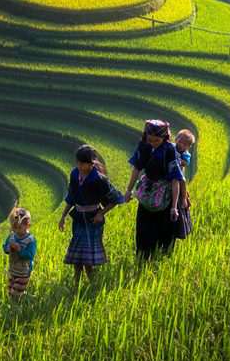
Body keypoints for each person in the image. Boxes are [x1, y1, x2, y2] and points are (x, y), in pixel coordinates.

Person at [59, 144, 124, 284]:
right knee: (77, 256)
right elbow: (71, 196)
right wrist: (63, 216)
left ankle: (92, 282)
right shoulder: (74, 174)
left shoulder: (99, 179)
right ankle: (76, 282)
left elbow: (114, 199)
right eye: (78, 163)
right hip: (78, 219)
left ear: (91, 163)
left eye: (83, 164)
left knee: (88, 258)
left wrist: (101, 213)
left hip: (93, 220)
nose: (80, 166)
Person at [124, 120, 185, 259]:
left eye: (156, 140)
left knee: (164, 233)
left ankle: (161, 262)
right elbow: (137, 168)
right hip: (147, 193)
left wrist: (174, 207)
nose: (152, 143)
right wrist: (128, 190)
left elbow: (176, 179)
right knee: (143, 231)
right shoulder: (143, 145)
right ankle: (143, 260)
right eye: (150, 139)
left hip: (165, 197)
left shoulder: (169, 150)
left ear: (165, 138)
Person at [3, 206, 37, 299]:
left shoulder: (30, 240)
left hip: (23, 272)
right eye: (15, 228)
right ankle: (20, 301)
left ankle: (16, 307)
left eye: (19, 227)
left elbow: (30, 255)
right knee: (10, 291)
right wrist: (8, 248)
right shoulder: (12, 236)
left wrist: (20, 250)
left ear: (28, 225)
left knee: (16, 293)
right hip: (12, 270)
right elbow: (5, 247)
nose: (17, 231)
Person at [174, 129, 196, 240]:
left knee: (182, 185)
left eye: (185, 145)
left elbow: (184, 163)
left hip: (179, 176)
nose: (181, 145)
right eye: (180, 141)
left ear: (188, 147)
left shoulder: (186, 154)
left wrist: (177, 161)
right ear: (176, 139)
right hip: (173, 175)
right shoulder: (171, 148)